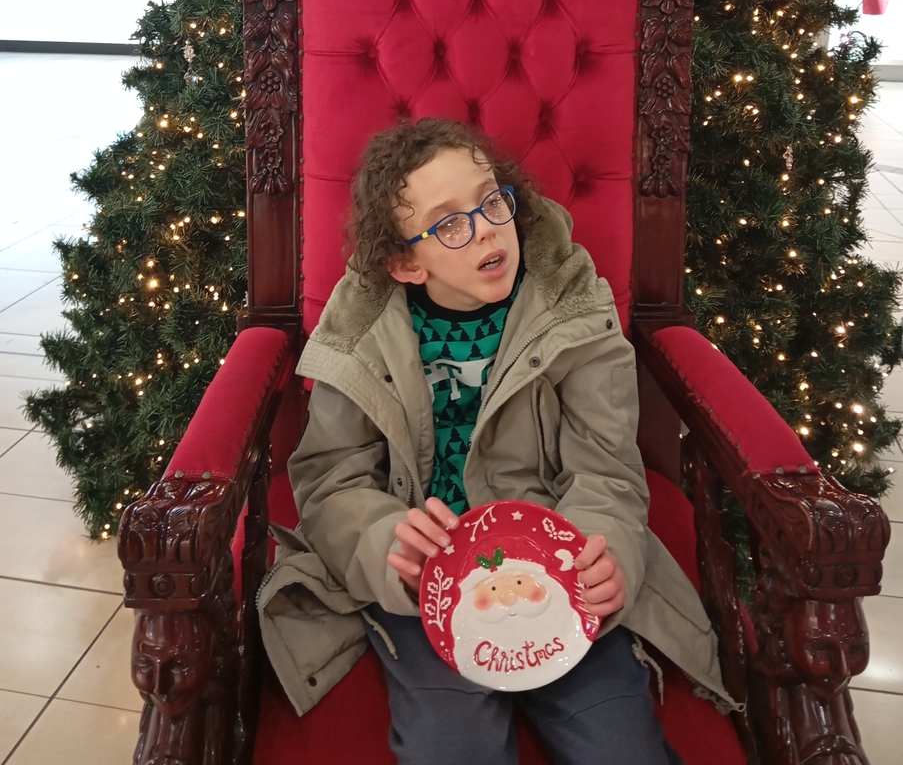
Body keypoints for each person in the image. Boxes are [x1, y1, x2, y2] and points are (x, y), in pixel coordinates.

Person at [261, 118, 737, 765]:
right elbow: (331, 478)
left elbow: (605, 469)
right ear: (405, 262)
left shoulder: (570, 305)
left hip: (556, 559)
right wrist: (387, 546)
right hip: (428, 573)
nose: (486, 229)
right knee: (452, 745)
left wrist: (608, 558)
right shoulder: (361, 326)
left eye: (491, 202)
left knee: (620, 746)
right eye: (449, 225)